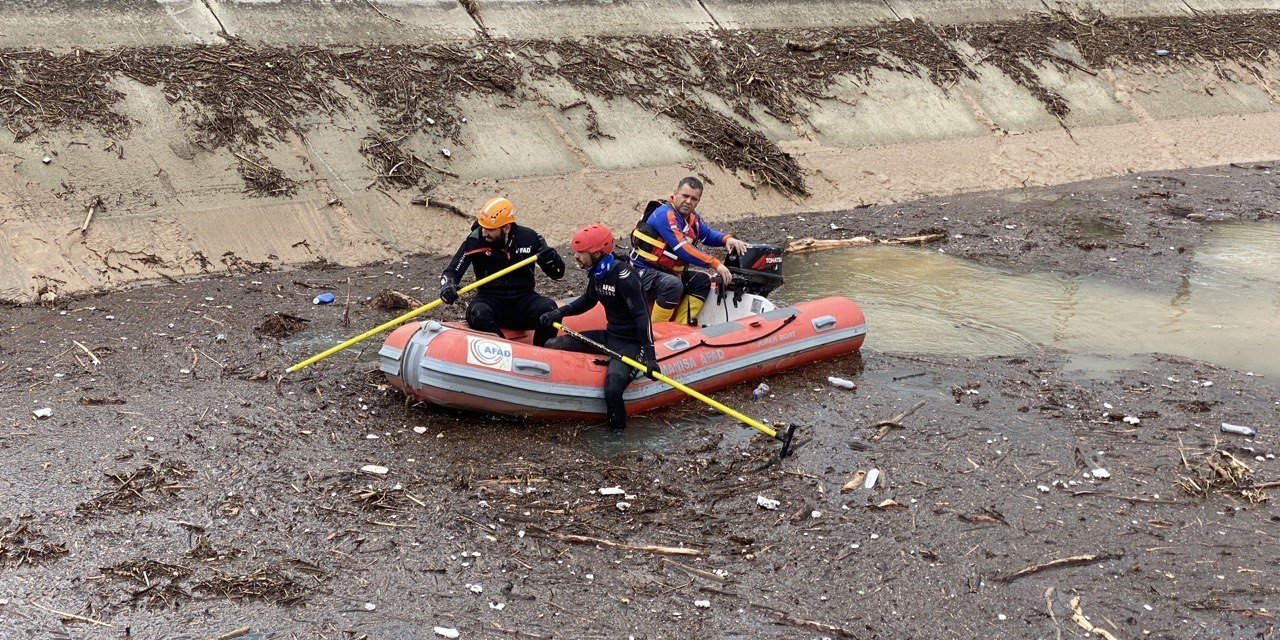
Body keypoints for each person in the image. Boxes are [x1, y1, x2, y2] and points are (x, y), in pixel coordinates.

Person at [539, 225, 659, 432]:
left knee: (612, 391)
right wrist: (558, 313)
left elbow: (642, 318)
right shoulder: (597, 273)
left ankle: (617, 435)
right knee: (553, 344)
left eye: (580, 253)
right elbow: (588, 301)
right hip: (610, 336)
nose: (575, 257)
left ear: (596, 253)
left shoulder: (625, 277)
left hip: (630, 344)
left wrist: (650, 357)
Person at [439, 196, 566, 347]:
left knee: (550, 309)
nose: (484, 233)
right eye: (482, 227)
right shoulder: (475, 240)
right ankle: (505, 351)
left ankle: (542, 353)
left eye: (490, 229)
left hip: (523, 300)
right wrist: (447, 286)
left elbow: (557, 273)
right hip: (490, 299)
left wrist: (551, 258)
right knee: (478, 312)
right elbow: (451, 272)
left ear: (506, 227)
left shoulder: (529, 238)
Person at [629, 176, 750, 325]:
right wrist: (715, 264)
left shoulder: (692, 218)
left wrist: (726, 239)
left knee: (701, 281)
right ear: (676, 193)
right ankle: (656, 332)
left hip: (666, 273)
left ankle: (681, 326)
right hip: (643, 271)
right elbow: (683, 249)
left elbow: (707, 235)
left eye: (694, 199)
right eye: (685, 196)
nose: (688, 201)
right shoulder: (664, 215)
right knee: (673, 285)